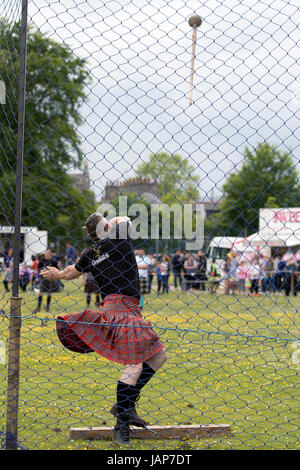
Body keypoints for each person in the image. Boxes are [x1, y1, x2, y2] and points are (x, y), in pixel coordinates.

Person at [40, 213, 166, 445]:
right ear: (107, 226)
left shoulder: (90, 254)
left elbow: (70, 272)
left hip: (112, 309)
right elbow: (125, 219)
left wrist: (55, 273)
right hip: (125, 310)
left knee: (158, 355)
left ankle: (124, 406)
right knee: (135, 362)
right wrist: (109, 222)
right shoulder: (118, 241)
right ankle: (122, 422)